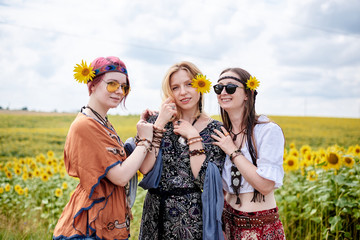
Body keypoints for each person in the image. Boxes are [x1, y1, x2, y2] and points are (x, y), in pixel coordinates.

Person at [53, 56, 154, 240]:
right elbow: (121, 176)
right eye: (112, 84)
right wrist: (146, 141)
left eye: (124, 87)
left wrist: (142, 131)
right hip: (88, 228)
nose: (119, 91)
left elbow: (120, 161)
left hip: (105, 223)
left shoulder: (102, 122)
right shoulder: (86, 125)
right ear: (92, 85)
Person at [138, 61, 226, 240]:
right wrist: (159, 124)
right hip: (154, 213)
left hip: (190, 217)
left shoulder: (216, 130)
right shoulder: (157, 121)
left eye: (189, 84)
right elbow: (145, 169)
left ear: (200, 86)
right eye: (175, 87)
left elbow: (205, 182)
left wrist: (194, 137)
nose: (183, 92)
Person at [211, 68, 286, 239]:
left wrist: (233, 151)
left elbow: (265, 186)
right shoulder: (222, 133)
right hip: (228, 224)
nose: (223, 92)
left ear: (247, 94)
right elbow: (222, 188)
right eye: (218, 88)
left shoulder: (267, 131)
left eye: (230, 87)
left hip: (259, 225)